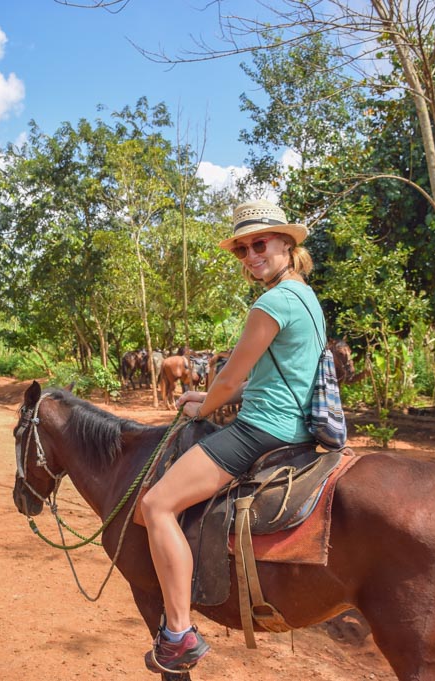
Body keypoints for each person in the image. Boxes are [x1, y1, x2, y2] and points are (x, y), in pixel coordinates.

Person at [139, 198, 325, 674]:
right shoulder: (305, 296)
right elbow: (267, 378)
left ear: (286, 242)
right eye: (242, 249)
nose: (250, 256)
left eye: (259, 243)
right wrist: (204, 401)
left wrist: (211, 397)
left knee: (156, 505)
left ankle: (178, 634)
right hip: (295, 426)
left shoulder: (272, 302)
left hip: (261, 430)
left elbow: (228, 379)